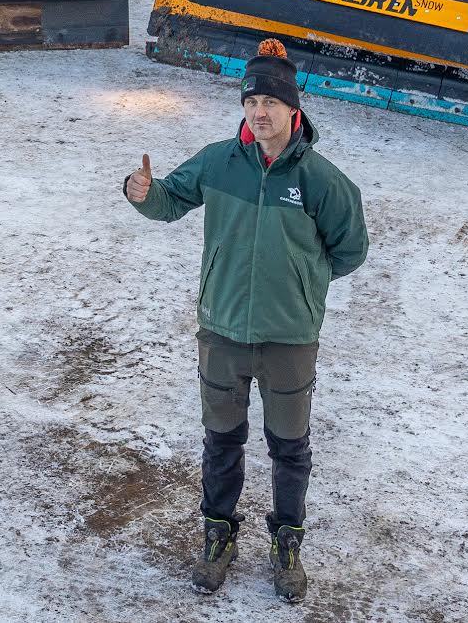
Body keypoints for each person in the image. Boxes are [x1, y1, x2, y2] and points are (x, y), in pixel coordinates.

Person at [124, 41, 367, 601]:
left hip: (289, 338)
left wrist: (305, 283)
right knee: (221, 442)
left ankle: (287, 542)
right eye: (251, 99)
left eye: (271, 102)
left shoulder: (321, 180)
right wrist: (141, 193)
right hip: (223, 330)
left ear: (293, 109)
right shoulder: (218, 162)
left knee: (289, 446)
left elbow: (351, 249)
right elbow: (168, 200)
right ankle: (219, 535)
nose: (260, 112)